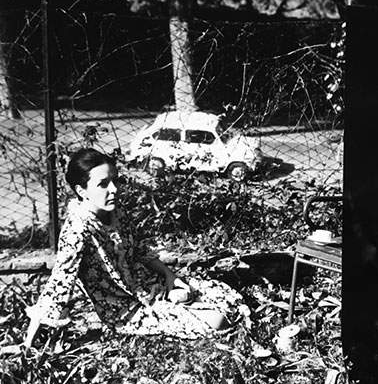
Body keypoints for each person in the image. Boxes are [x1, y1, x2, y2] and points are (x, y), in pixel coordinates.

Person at [24, 148, 247, 347]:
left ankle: (184, 304)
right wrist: (29, 343)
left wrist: (170, 276)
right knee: (218, 321)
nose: (114, 189)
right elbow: (59, 283)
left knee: (224, 297)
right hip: (125, 310)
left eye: (115, 180)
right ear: (81, 191)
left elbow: (139, 249)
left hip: (149, 286)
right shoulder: (77, 230)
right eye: (103, 184)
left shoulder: (116, 211)